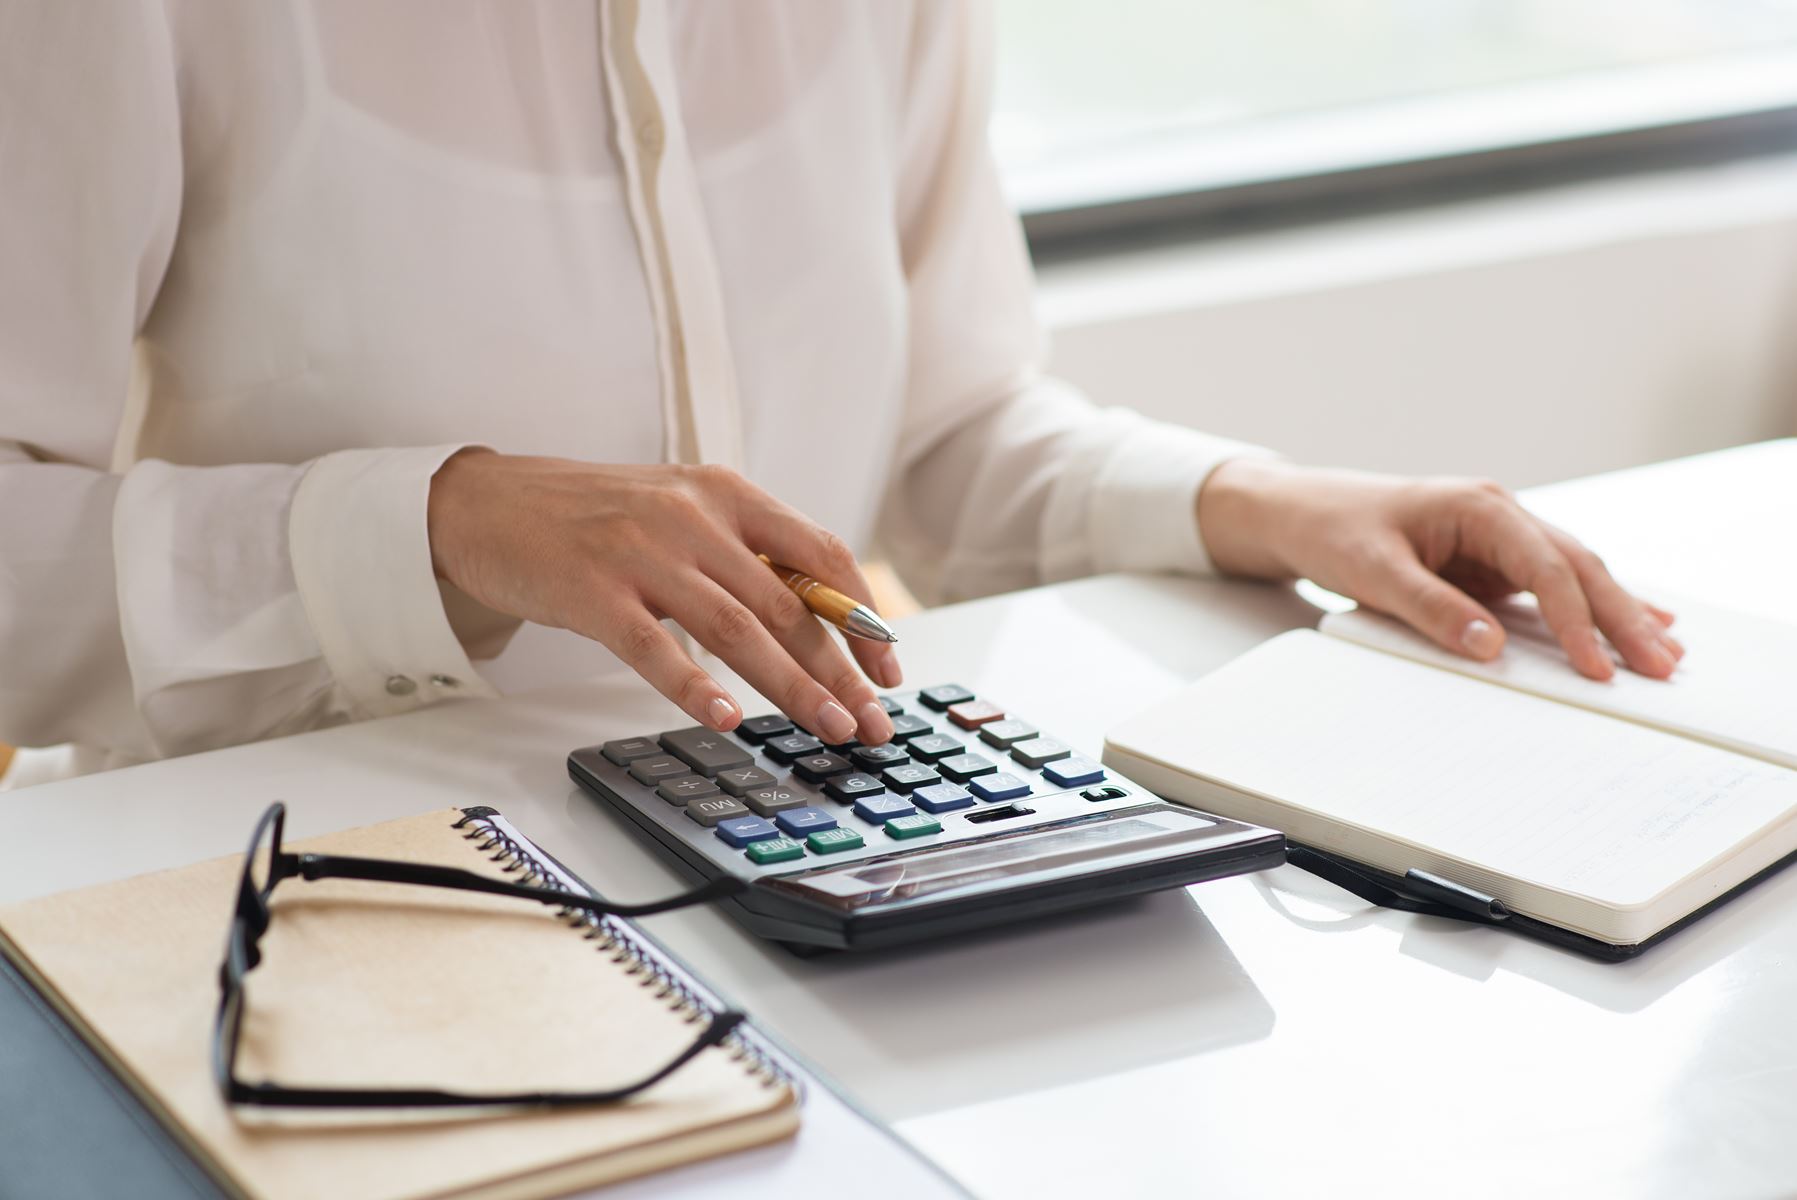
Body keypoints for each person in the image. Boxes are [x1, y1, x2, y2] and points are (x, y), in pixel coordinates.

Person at [0, 1, 1679, 782]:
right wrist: (436, 526)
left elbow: (944, 433)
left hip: (822, 844)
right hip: (307, 880)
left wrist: (1264, 503)